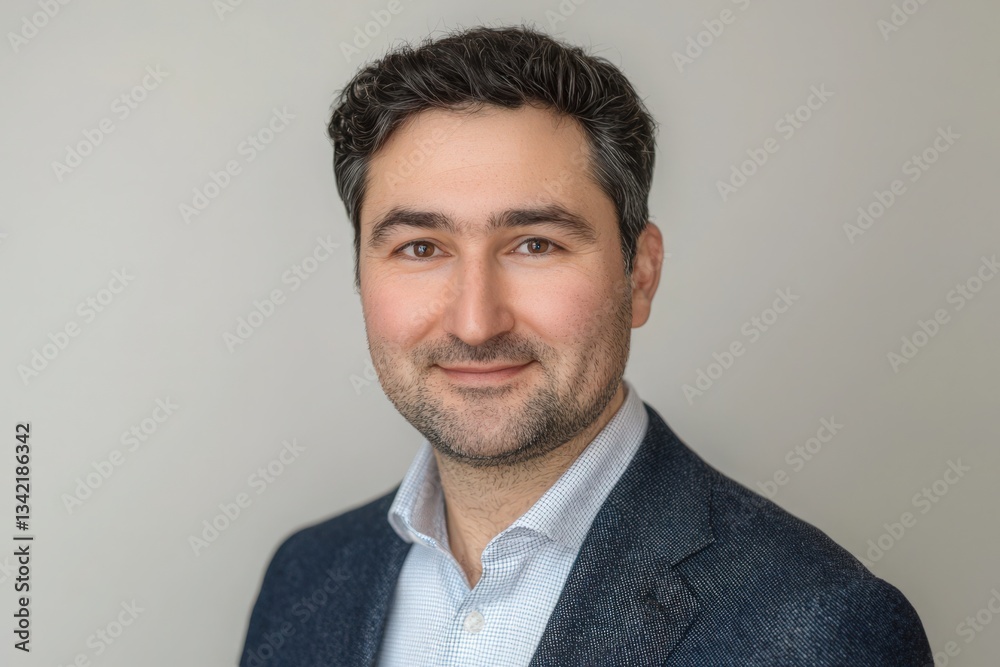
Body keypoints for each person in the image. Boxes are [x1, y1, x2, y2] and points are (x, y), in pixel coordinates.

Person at [240, 24, 933, 666]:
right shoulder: (305, 577)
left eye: (535, 244)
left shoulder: (820, 628)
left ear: (640, 273)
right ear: (361, 274)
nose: (476, 322)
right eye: (421, 247)